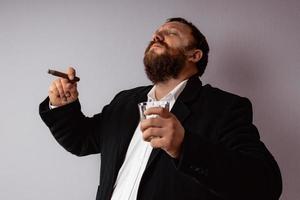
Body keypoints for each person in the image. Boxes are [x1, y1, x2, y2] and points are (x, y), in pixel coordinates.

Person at [39, 17, 282, 200]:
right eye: (156, 34)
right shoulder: (125, 101)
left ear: (195, 55)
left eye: (171, 33)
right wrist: (63, 106)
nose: (157, 36)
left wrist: (184, 146)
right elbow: (82, 140)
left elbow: (265, 184)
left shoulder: (224, 108)